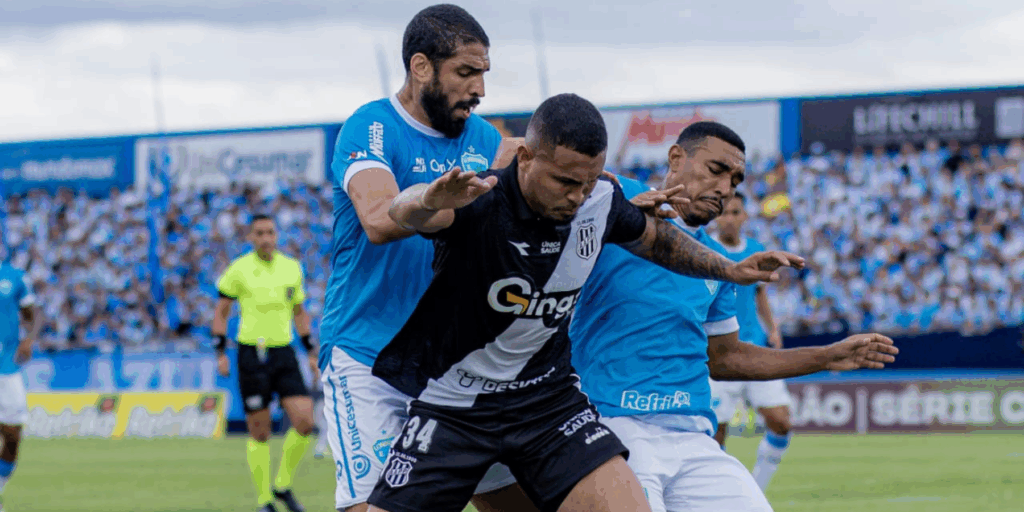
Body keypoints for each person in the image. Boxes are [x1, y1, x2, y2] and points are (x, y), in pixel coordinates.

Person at [370, 93, 805, 512]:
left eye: (587, 181)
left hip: (546, 402)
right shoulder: (478, 197)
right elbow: (406, 212)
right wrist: (426, 197)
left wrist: (729, 270)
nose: (577, 196)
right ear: (526, 159)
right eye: (564, 181)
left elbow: (659, 242)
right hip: (455, 403)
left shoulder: (600, 200)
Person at [568, 121, 899, 512]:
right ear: (676, 158)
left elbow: (726, 358)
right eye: (716, 170)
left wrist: (827, 356)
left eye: (736, 180)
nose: (725, 188)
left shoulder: (719, 266)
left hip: (693, 437)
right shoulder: (613, 197)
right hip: (613, 425)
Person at [319, 5, 530, 512]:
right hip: (368, 355)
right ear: (420, 67)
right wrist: (435, 202)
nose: (478, 88)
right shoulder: (371, 127)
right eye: (465, 72)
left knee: (520, 504)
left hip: (456, 362)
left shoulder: (486, 140)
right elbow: (376, 218)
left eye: (483, 73)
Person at [213, 214, 318, 512]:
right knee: (259, 431)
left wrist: (311, 351)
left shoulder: (291, 268)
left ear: (277, 235)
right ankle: (264, 501)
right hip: (251, 354)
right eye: (259, 233)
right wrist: (220, 351)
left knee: (305, 420)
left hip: (283, 352)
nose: (266, 238)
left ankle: (282, 484)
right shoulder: (239, 269)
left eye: (270, 232)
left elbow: (299, 312)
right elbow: (221, 312)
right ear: (250, 237)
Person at [710, 192, 794, 491]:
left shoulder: (756, 250)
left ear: (744, 216)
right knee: (714, 437)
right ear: (716, 216)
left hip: (755, 347)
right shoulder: (704, 250)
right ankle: (718, 498)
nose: (729, 219)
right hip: (717, 353)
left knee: (781, 421)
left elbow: (759, 294)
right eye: (725, 213)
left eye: (736, 212)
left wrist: (772, 328)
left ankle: (756, 492)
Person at [0, 262, 40, 512]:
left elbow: (32, 314)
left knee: (13, 435)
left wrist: (29, 339)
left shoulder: (14, 277)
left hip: (6, 366)